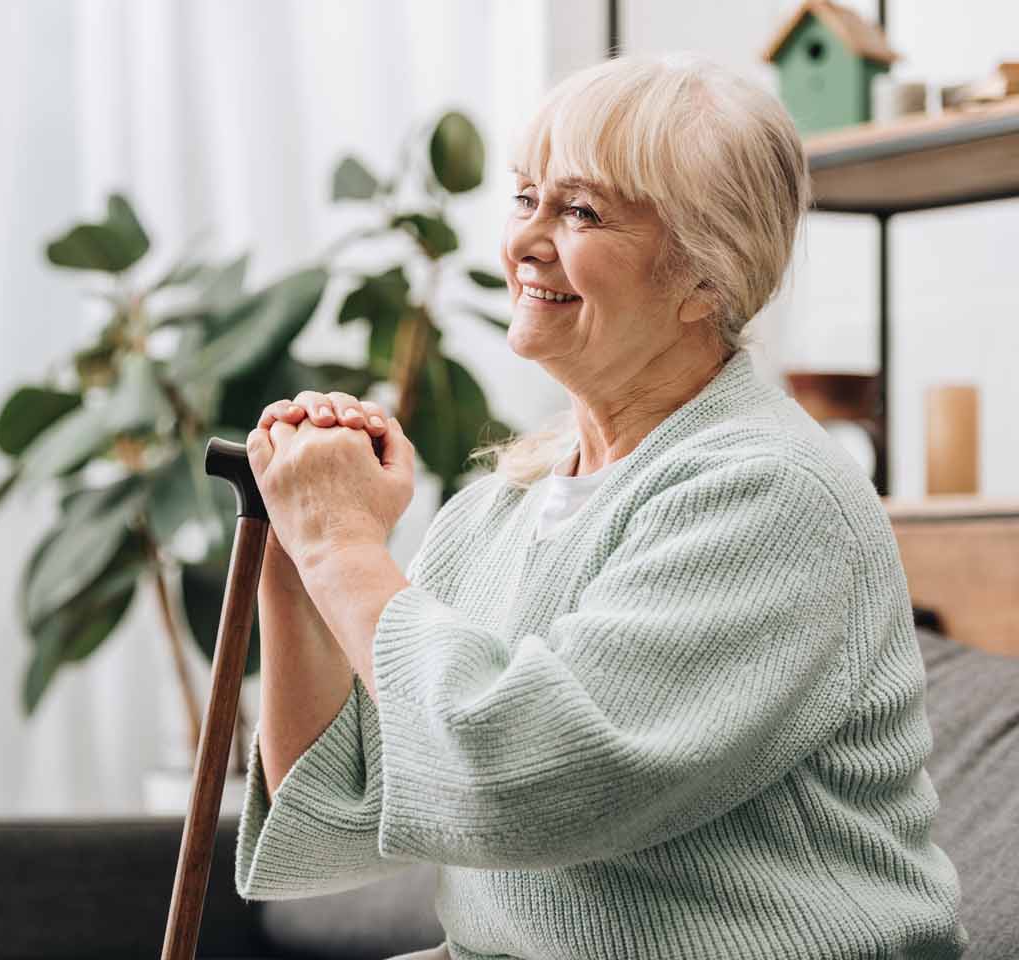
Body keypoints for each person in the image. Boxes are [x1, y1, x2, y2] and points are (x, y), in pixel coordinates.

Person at [233, 53, 968, 960]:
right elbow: (338, 820)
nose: (526, 241)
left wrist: (344, 544)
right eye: (525, 197)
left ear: (709, 274)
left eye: (581, 211)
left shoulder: (771, 497)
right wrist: (298, 557)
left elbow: (518, 784)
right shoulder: (497, 509)